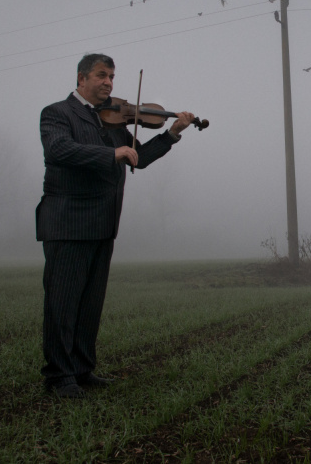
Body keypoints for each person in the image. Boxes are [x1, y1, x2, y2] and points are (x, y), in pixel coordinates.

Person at [35, 53, 196, 398]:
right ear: (81, 79)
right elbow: (59, 151)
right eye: (101, 75)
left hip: (103, 224)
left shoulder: (114, 122)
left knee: (90, 304)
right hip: (67, 224)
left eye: (111, 77)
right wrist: (112, 154)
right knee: (62, 303)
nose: (108, 82)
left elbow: (140, 158)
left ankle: (81, 369)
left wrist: (173, 133)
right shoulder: (57, 114)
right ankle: (58, 377)